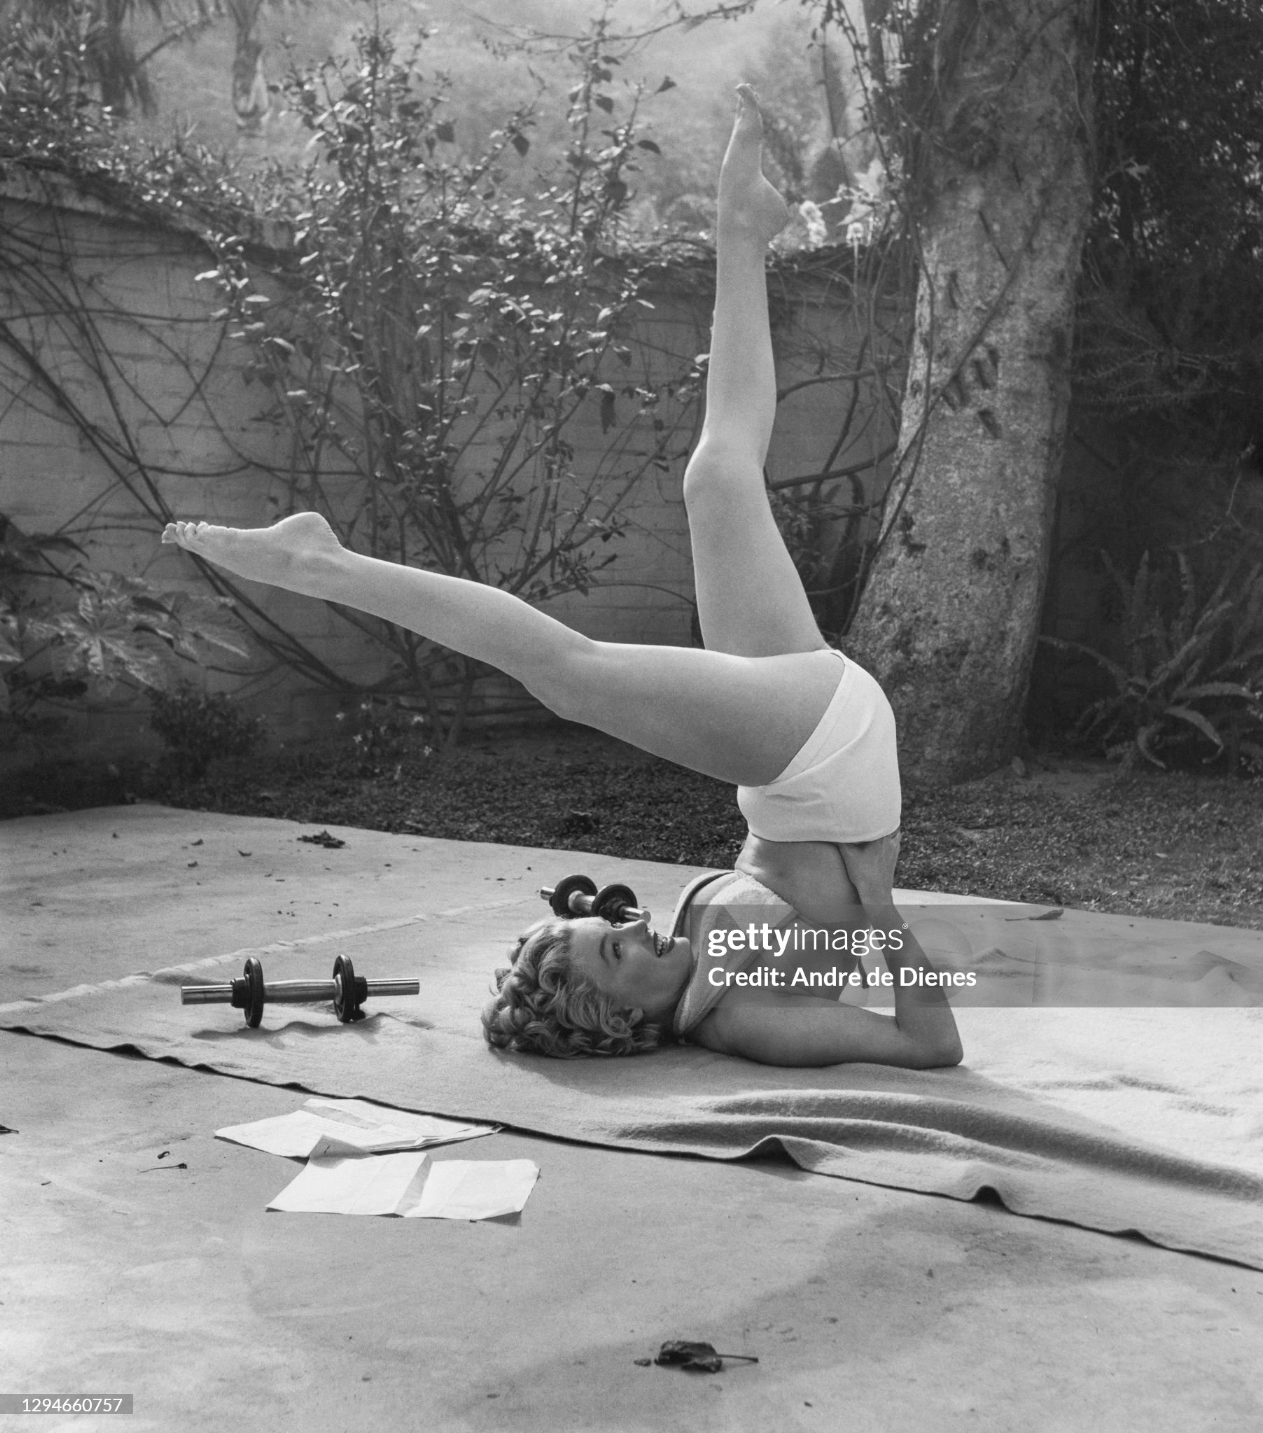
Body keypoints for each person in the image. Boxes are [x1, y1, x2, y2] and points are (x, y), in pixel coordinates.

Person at [161, 87, 963, 1072]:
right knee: (568, 669)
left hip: (796, 758)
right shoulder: (740, 1016)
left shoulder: (696, 955)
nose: (631, 925)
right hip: (822, 768)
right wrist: (880, 914)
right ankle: (324, 562)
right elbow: (933, 1042)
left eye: (609, 929)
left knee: (715, 474)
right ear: (617, 1021)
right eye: (615, 951)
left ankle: (743, 228)